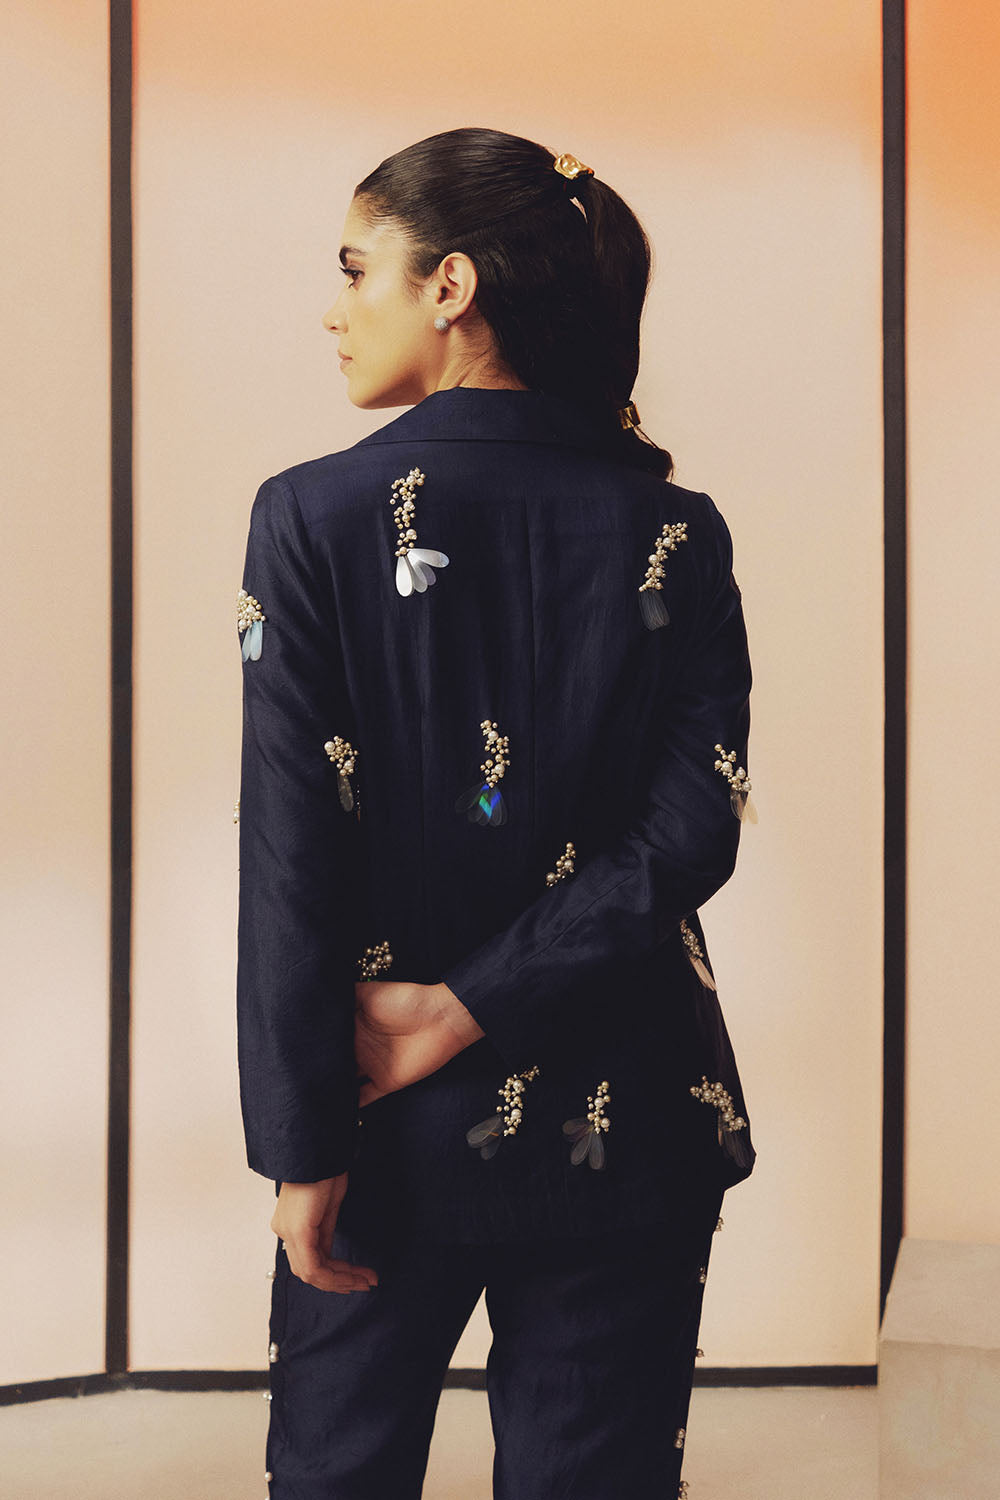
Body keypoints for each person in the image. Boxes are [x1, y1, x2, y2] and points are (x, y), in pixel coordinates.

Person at [236, 125, 755, 1500]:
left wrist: (302, 1142)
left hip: (377, 1120)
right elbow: (690, 834)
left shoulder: (310, 519)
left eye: (359, 268)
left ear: (451, 285)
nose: (336, 308)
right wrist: (471, 1006)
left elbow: (293, 856)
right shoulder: (679, 530)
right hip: (629, 1114)